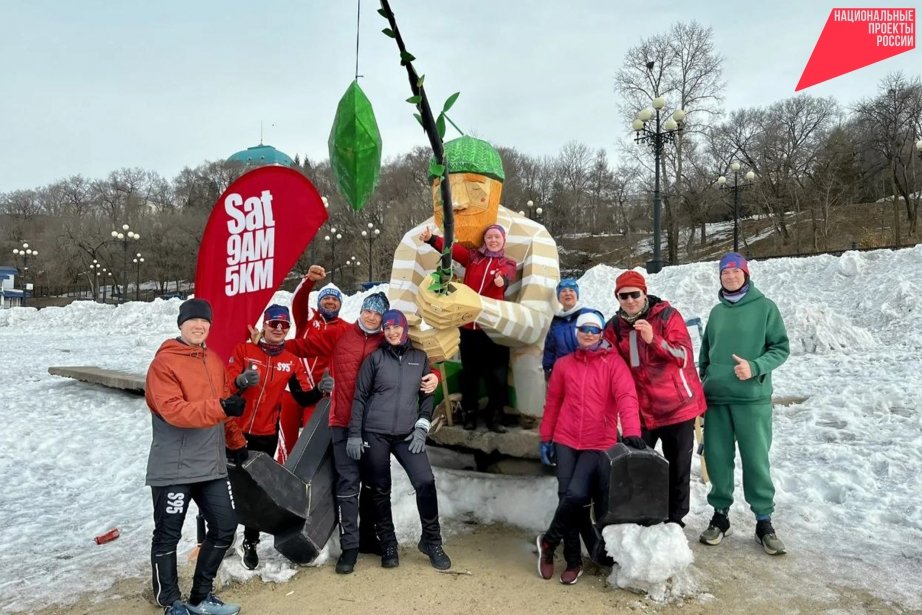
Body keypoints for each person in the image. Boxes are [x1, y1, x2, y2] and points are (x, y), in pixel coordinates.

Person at [387, 136, 559, 424]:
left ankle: (522, 420)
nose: (459, 203)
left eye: (475, 190)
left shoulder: (534, 237)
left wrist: (476, 307)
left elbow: (536, 324)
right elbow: (399, 319)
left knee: (523, 360)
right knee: (449, 364)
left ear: (496, 191)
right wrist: (424, 338)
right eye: (445, 190)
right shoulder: (414, 242)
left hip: (499, 339)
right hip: (463, 339)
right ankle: (445, 413)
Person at [285, 291, 439, 574]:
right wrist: (271, 341)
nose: (372, 316)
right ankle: (350, 548)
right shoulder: (339, 333)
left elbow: (416, 360)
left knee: (373, 486)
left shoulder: (386, 339)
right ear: (361, 311)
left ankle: (369, 539)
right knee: (347, 485)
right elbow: (302, 347)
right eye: (368, 310)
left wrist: (434, 378)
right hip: (343, 422)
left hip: (373, 428)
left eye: (378, 314)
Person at [145, 298, 243, 615]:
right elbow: (173, 411)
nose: (199, 326)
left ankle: (202, 595)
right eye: (192, 321)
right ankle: (171, 601)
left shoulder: (213, 360)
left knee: (225, 526)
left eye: (204, 322)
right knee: (168, 535)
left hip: (211, 465)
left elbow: (224, 405)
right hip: (174, 467)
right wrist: (221, 408)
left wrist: (236, 441)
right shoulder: (164, 364)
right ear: (181, 324)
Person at [536, 310, 644, 585]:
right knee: (566, 497)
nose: (588, 333)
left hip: (598, 441)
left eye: (594, 330)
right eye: (584, 329)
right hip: (565, 438)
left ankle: (548, 542)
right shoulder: (563, 365)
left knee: (575, 495)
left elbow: (626, 397)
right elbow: (553, 404)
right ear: (577, 332)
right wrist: (546, 438)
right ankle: (572, 560)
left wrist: (631, 430)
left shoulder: (613, 364)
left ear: (600, 334)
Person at [697, 252, 790, 555]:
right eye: (725, 272)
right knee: (718, 459)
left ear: (746, 275)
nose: (731, 276)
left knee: (755, 461)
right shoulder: (716, 312)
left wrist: (755, 366)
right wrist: (706, 380)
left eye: (736, 272)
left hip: (752, 399)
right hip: (717, 400)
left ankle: (764, 520)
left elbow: (780, 348)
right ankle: (720, 516)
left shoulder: (765, 308)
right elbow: (705, 355)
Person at [348, 310, 452, 570]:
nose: (392, 332)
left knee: (425, 481)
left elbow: (427, 395)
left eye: (397, 327)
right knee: (381, 488)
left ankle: (431, 540)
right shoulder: (375, 359)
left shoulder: (420, 358)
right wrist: (355, 433)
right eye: (387, 328)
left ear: (405, 328)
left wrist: (422, 426)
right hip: (376, 432)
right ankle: (388, 544)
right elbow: (360, 397)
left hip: (407, 434)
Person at [603, 270, 706, 527]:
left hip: (676, 408)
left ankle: (675, 521)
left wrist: (653, 340)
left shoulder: (668, 316)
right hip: (642, 412)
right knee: (638, 467)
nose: (629, 300)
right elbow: (607, 366)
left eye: (634, 294)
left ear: (644, 293)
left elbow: (683, 355)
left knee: (678, 469)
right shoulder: (614, 327)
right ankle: (643, 516)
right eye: (623, 296)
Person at [225, 304, 324, 570]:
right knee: (224, 485)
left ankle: (250, 541)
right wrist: (242, 381)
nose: (279, 329)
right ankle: (219, 537)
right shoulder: (245, 351)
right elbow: (227, 387)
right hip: (233, 429)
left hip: (265, 434)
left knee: (256, 492)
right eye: (274, 324)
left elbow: (302, 395)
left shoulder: (290, 360)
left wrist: (320, 391)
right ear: (265, 325)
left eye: (284, 325)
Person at [419, 223, 517, 431]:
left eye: (497, 238)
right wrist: (431, 239)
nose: (493, 241)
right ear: (484, 240)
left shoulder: (507, 262)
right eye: (489, 237)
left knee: (496, 376)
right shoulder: (474, 258)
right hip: (469, 328)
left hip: (492, 329)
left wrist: (502, 281)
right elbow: (451, 249)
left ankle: (495, 417)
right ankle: (470, 414)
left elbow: (508, 275)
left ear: (503, 241)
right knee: (470, 374)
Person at [277, 265, 348, 463]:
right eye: (326, 298)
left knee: (311, 440)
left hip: (318, 393)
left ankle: (307, 482)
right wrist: (309, 281)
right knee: (286, 441)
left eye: (335, 299)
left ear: (340, 304)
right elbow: (297, 301)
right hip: (293, 390)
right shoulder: (308, 318)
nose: (331, 302)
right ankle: (280, 479)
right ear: (319, 301)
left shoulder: (343, 328)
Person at [542, 278, 596, 380]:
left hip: (587, 370)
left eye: (571, 290)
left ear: (577, 295)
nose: (567, 293)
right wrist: (547, 368)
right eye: (563, 291)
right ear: (558, 297)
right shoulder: (556, 320)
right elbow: (550, 347)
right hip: (563, 373)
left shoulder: (590, 315)